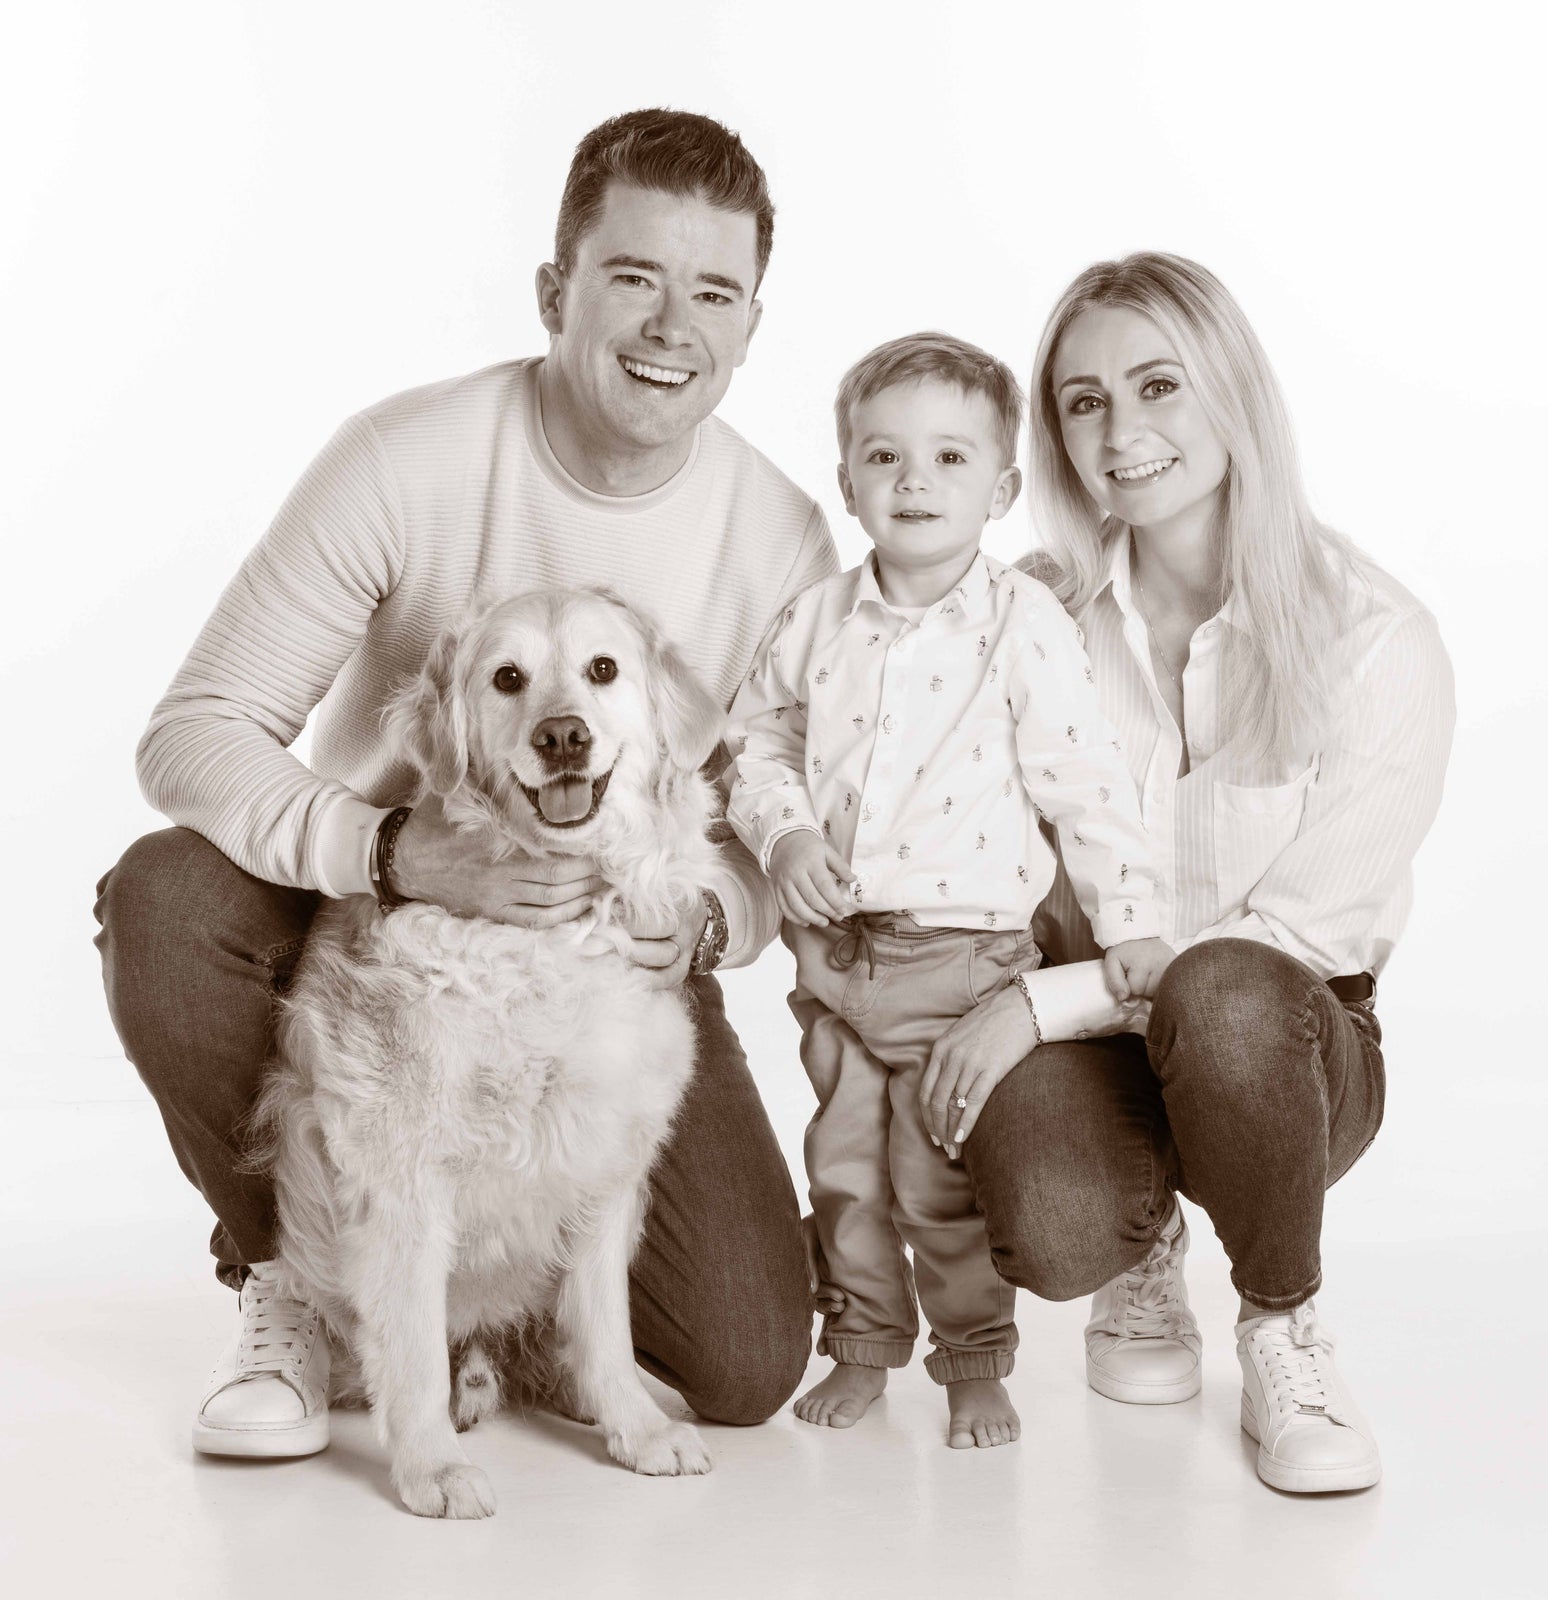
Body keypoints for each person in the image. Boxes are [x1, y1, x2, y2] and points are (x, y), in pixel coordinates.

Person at [94, 108, 837, 1458]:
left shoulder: (780, 536)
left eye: (713, 293)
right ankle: (298, 1291)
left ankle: (494, 1328)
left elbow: (775, 822)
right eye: (634, 278)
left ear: (749, 328)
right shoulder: (405, 458)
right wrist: (389, 855)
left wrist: (708, 922)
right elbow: (194, 731)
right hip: (379, 914)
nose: (674, 325)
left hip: (617, 955)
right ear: (557, 292)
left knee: (744, 1361)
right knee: (160, 897)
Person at [921, 253, 1454, 1492]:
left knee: (1222, 981)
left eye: (1158, 385)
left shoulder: (1377, 640)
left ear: (1231, 396)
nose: (1122, 430)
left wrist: (1029, 1007)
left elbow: (1291, 939)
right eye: (1083, 400)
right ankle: (1140, 1247)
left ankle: (1281, 1322)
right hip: (1098, 1044)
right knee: (1052, 1232)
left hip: (1294, 1047)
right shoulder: (1027, 622)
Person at [725, 333, 1174, 1449]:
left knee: (940, 1182)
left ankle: (973, 1361)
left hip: (965, 962)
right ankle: (862, 1349)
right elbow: (754, 743)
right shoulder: (817, 620)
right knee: (843, 1172)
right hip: (838, 957)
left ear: (1003, 487)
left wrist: (1130, 927)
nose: (913, 481)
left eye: (948, 458)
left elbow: (1086, 786)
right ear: (847, 483)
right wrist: (781, 841)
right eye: (883, 457)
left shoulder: (1020, 626)